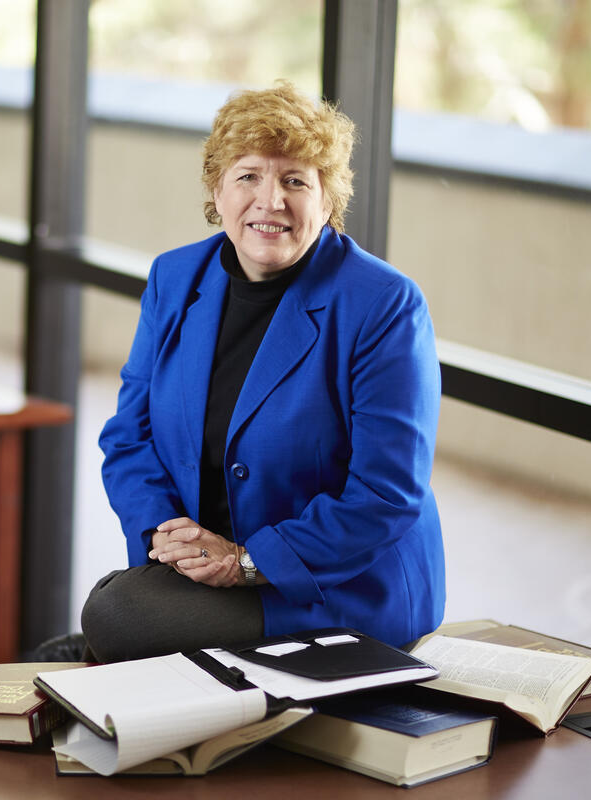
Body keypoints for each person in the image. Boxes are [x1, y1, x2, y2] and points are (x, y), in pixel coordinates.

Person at [80, 81, 445, 663]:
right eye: (248, 175)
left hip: (332, 584)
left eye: (295, 180)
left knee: (117, 613)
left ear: (327, 200)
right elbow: (129, 435)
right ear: (217, 191)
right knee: (119, 611)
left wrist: (243, 562)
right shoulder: (175, 278)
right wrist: (162, 532)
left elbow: (386, 493)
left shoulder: (383, 303)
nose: (269, 200)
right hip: (203, 564)